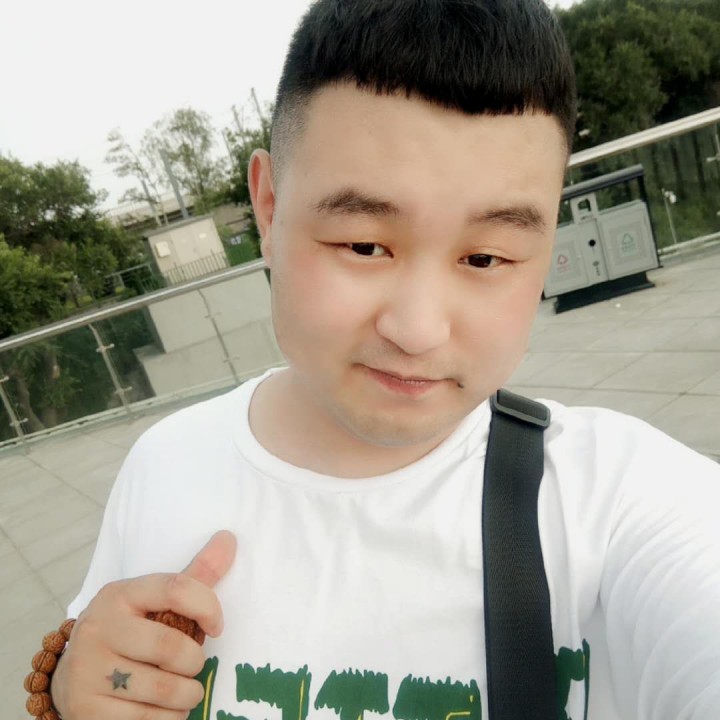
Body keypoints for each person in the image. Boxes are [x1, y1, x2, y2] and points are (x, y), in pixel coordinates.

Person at [44, 1, 720, 719]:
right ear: (269, 207)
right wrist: (69, 691)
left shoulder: (620, 503)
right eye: (365, 246)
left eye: (485, 258)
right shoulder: (163, 466)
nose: (419, 330)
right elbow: (100, 665)